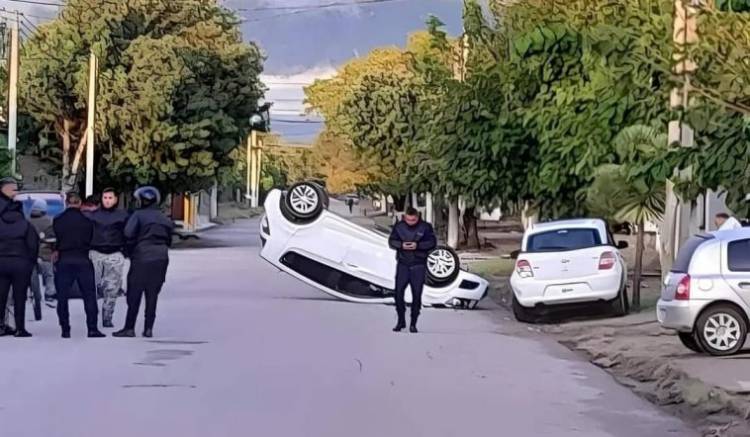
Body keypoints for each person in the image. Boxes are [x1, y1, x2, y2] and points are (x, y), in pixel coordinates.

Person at [114, 186, 174, 338]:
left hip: (141, 256)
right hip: (161, 257)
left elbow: (128, 232)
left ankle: (129, 327)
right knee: (152, 293)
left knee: (135, 292)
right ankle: (148, 328)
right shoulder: (164, 217)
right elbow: (169, 240)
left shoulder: (138, 215)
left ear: (141, 201)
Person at [53, 192, 105, 338]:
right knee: (89, 295)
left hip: (64, 259)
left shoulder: (58, 220)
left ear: (66, 202)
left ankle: (65, 329)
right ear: (80, 202)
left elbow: (57, 238)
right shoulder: (87, 221)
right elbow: (91, 239)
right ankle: (92, 328)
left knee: (62, 296)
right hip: (83, 258)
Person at [0, 177, 39, 337]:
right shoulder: (25, 224)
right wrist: (30, 262)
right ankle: (20, 328)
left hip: (1, 261)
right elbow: (33, 245)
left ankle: (1, 325)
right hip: (21, 262)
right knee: (19, 296)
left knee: (1, 296)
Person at [387, 207, 437, 333]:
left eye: (413, 220)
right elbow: (391, 242)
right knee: (398, 293)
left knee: (416, 295)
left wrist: (418, 246)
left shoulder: (425, 227)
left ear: (418, 217)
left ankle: (413, 323)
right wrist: (401, 245)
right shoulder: (399, 227)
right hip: (403, 264)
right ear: (404, 217)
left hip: (418, 265)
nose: (411, 222)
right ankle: (400, 321)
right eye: (408, 220)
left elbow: (432, 243)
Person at [86, 188, 128, 328]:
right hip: (95, 254)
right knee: (94, 286)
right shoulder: (92, 216)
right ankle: (92, 317)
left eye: (110, 197)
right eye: (105, 197)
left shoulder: (122, 216)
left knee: (112, 288)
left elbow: (128, 235)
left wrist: (126, 251)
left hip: (115, 253)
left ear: (115, 199)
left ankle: (107, 317)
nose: (107, 200)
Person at [28, 199, 57, 307]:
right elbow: (53, 240)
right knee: (49, 274)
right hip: (45, 254)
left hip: (29, 255)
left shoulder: (27, 221)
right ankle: (49, 294)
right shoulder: (49, 222)